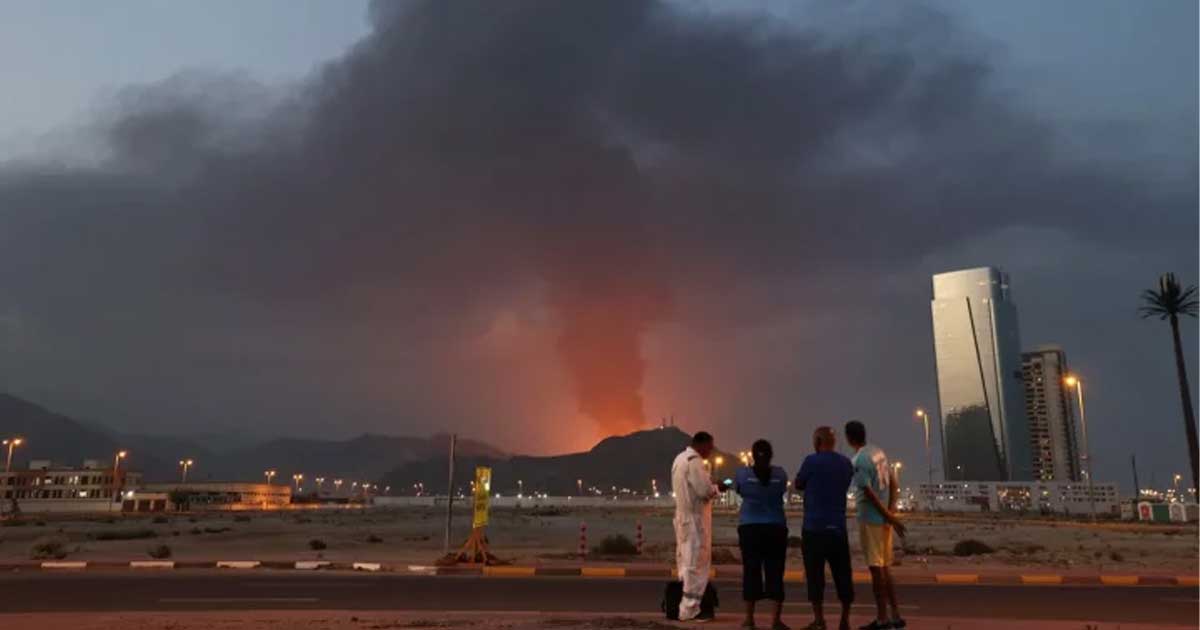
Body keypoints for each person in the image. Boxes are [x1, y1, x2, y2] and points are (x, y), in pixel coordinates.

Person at [844, 420, 907, 630]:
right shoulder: (878, 452)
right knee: (885, 568)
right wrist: (891, 514)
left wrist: (889, 517)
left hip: (871, 520)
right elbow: (894, 484)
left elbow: (869, 494)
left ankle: (882, 619)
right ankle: (895, 615)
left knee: (876, 571)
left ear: (849, 438)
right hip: (883, 521)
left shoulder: (859, 460)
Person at [794, 427, 855, 630]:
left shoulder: (811, 461)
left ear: (818, 441)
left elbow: (799, 484)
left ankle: (819, 620)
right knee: (843, 574)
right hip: (837, 527)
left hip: (814, 528)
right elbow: (844, 484)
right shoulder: (846, 463)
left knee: (815, 576)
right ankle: (844, 620)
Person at [733, 439, 790, 630]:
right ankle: (775, 621)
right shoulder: (780, 474)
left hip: (750, 529)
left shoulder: (743, 474)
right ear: (771, 455)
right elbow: (781, 489)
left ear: (752, 455)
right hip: (775, 528)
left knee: (751, 572)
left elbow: (738, 489)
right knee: (776, 572)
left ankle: (749, 619)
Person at [672, 431, 720, 622]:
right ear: (701, 444)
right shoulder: (695, 461)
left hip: (683, 518)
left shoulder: (679, 459)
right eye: (709, 447)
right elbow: (704, 491)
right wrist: (716, 488)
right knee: (696, 564)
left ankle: (686, 604)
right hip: (695, 520)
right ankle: (690, 609)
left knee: (685, 562)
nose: (710, 451)